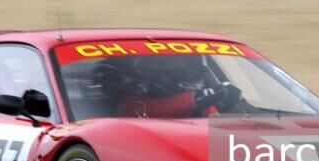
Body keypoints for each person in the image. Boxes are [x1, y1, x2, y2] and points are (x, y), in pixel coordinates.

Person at [97, 56, 242, 119]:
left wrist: (224, 105)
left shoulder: (206, 105)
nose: (195, 79)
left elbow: (219, 137)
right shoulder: (132, 105)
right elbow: (156, 107)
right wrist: (196, 99)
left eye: (197, 75)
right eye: (188, 74)